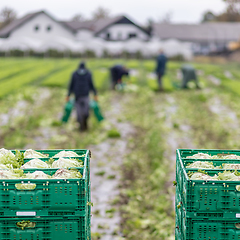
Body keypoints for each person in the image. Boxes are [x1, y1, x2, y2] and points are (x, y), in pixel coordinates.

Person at [66, 62, 97, 131]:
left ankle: (85, 124)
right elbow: (71, 85)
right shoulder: (75, 74)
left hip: (84, 95)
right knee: (79, 112)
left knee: (85, 112)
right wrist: (68, 95)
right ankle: (81, 127)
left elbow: (91, 84)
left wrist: (95, 94)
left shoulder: (88, 74)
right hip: (78, 96)